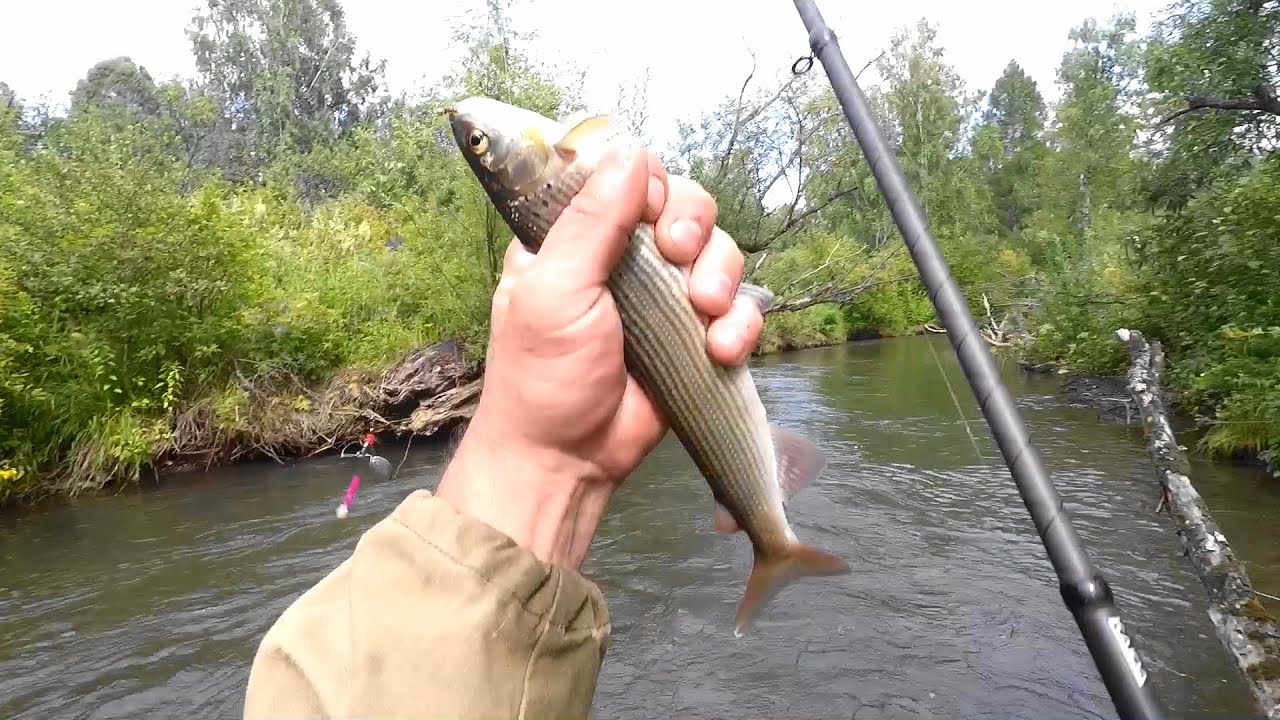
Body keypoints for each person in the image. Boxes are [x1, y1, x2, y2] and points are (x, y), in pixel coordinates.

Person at [242, 144, 764, 719]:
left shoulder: (292, 668)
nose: (480, 140)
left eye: (480, 147)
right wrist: (545, 459)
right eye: (484, 148)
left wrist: (542, 460)